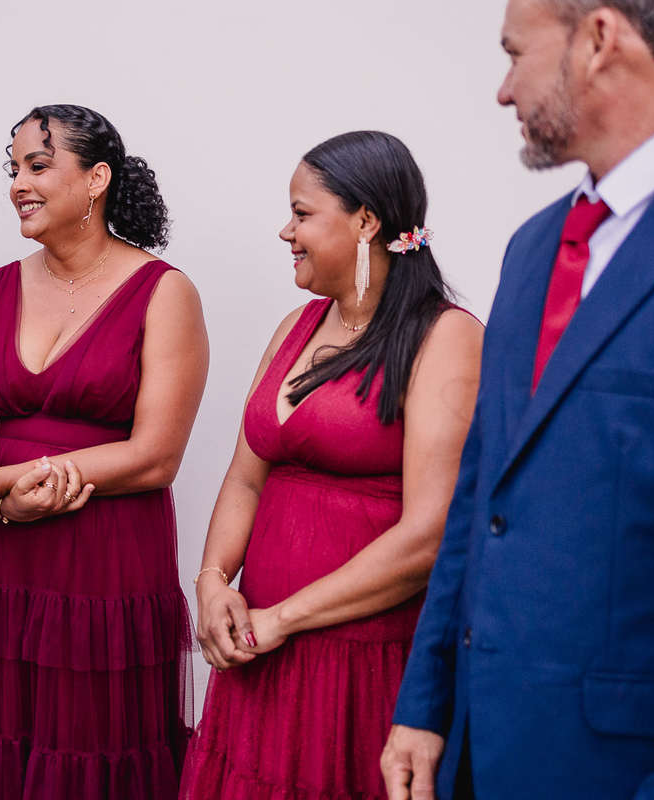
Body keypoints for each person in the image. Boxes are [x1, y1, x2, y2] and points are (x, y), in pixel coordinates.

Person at [383, 1, 654, 798]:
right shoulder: (535, 245)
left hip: (644, 770)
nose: (504, 91)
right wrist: (425, 705)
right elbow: (481, 498)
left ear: (600, 40)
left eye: (515, 53)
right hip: (478, 753)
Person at [178, 131, 483, 800]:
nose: (286, 231)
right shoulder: (296, 326)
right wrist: (211, 584)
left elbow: (429, 534)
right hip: (259, 655)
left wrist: (283, 617)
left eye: (303, 213)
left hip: (359, 664)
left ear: (367, 221)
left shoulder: (446, 336)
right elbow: (244, 476)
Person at [0, 104, 207, 799]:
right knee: (6, 741)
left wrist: (8, 481)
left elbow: (155, 457)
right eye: (14, 167)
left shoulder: (164, 293)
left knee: (97, 751)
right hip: (6, 559)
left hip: (107, 553)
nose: (18, 183)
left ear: (96, 180)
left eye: (38, 164)